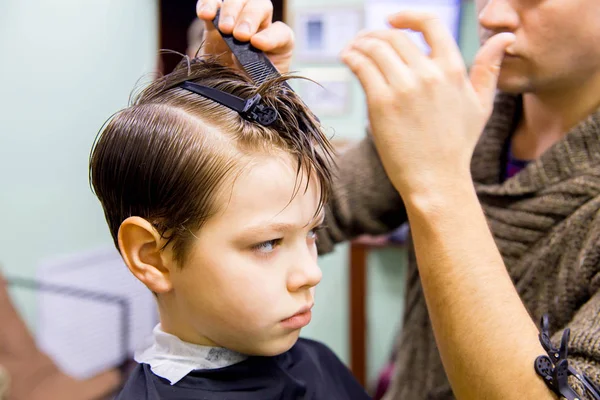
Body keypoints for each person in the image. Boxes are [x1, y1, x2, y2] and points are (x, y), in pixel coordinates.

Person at [195, 0, 600, 399]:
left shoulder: (443, 127)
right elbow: (285, 214)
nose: (491, 16)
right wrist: (230, 115)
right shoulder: (456, 115)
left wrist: (438, 180)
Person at [89, 56, 371, 399]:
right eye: (268, 243)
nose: (311, 273)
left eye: (311, 232)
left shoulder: (318, 361)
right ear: (152, 256)